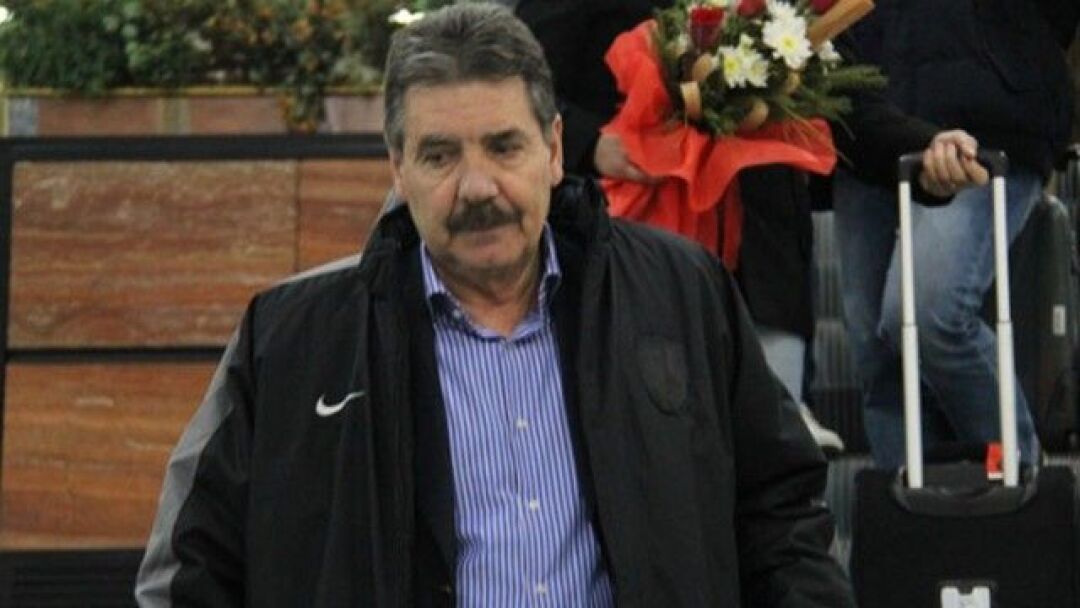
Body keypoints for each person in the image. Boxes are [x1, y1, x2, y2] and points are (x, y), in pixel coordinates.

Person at [135, 4, 852, 606]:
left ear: (554, 148)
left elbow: (782, 518)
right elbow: (191, 571)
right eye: (440, 156)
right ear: (397, 167)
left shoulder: (682, 296)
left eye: (504, 147)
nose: (477, 187)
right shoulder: (292, 342)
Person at [514, 0, 845, 452]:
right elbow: (519, 78)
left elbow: (819, 64)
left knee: (774, 452)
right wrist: (590, 143)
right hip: (635, 227)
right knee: (653, 443)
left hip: (764, 247)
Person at [830, 0, 1080, 467]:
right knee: (877, 351)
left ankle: (1019, 475)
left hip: (989, 117)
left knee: (927, 312)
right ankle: (911, 501)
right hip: (866, 123)